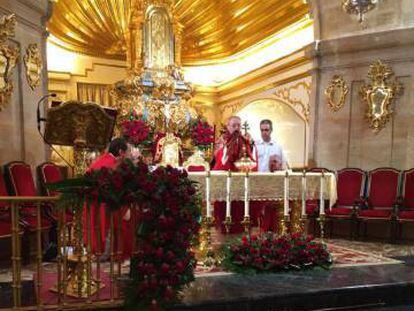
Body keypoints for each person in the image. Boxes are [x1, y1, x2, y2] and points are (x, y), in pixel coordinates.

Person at [83, 138, 132, 260]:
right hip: (103, 204)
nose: (128, 156)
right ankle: (116, 251)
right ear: (121, 152)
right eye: (127, 153)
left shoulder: (103, 159)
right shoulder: (113, 164)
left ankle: (99, 250)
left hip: (94, 204)